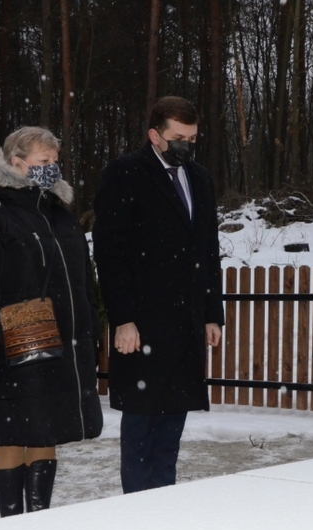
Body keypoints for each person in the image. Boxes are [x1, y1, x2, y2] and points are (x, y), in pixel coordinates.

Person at [0, 126, 103, 517]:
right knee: (12, 434)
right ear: (15, 162)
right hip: (15, 343)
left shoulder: (59, 214)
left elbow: (81, 280)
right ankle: (10, 524)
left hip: (61, 342)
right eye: (43, 162)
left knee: (47, 430)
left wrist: (92, 329)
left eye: (55, 161)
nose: (52, 169)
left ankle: (38, 521)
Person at [94, 96, 224, 494]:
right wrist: (124, 318)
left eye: (193, 137)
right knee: (140, 427)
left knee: (171, 429)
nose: (187, 144)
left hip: (184, 325)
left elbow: (207, 250)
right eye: (178, 137)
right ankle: (136, 508)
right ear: (155, 135)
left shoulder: (199, 178)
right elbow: (110, 252)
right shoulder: (125, 173)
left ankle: (165, 501)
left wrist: (211, 313)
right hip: (142, 325)